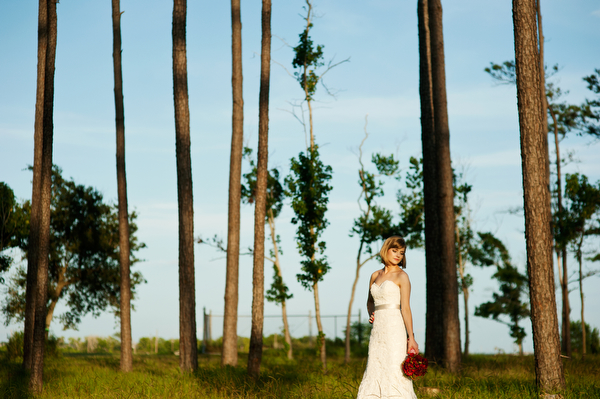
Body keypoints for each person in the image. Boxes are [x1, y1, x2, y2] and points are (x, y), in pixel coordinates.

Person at [356, 235, 418, 399]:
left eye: (402, 252)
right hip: (378, 331)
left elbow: (405, 308)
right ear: (386, 250)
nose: (398, 255)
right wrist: (372, 314)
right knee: (376, 365)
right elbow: (370, 302)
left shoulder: (402, 276)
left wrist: (411, 337)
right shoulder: (375, 275)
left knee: (393, 367)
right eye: (395, 250)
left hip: (394, 328)